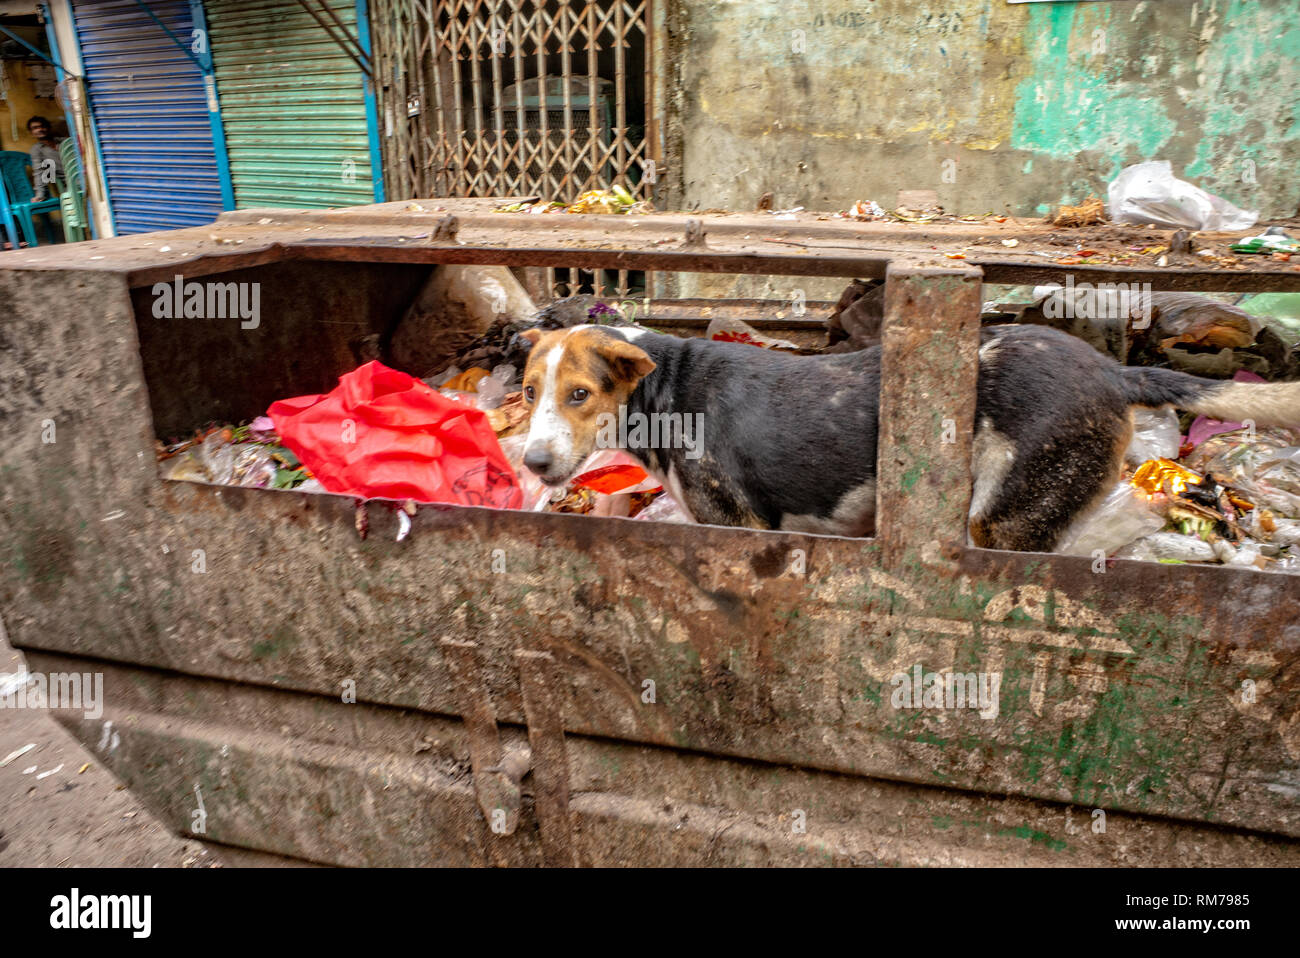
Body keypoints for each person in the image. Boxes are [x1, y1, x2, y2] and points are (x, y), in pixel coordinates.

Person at [26, 115, 65, 202]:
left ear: (48, 128)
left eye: (43, 126)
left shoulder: (64, 141)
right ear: (32, 133)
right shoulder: (37, 150)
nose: (40, 129)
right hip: (68, 183)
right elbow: (39, 172)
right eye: (35, 128)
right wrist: (40, 195)